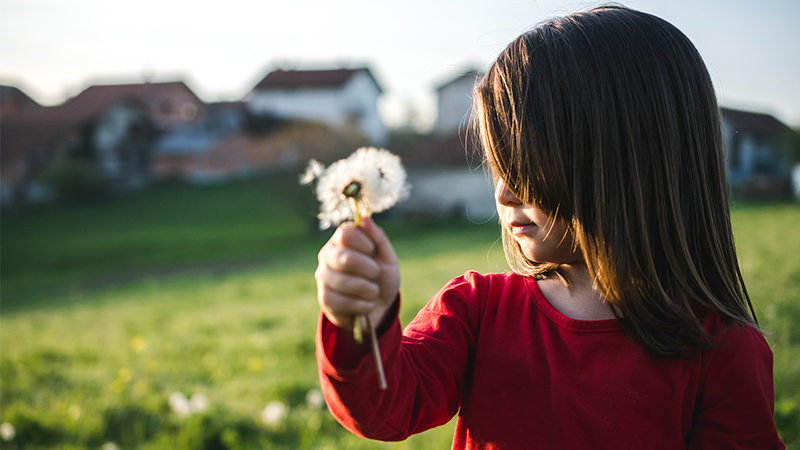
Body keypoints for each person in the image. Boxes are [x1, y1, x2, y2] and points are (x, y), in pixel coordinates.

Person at [313, 5, 785, 449]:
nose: (503, 193)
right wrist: (360, 322)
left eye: (526, 167)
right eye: (499, 168)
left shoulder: (723, 352)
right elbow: (385, 408)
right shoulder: (475, 312)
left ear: (627, 163)